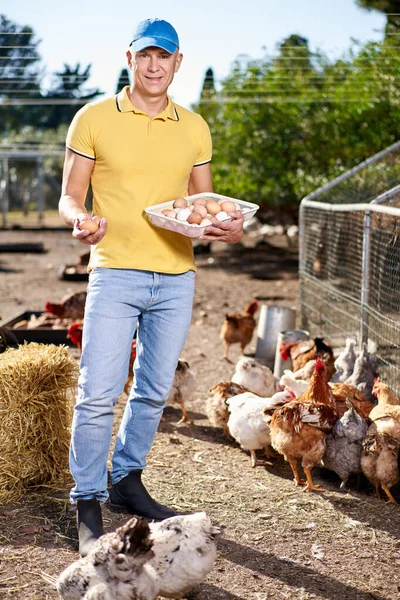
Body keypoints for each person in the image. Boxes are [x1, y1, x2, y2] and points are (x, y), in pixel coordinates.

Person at [59, 17, 244, 557]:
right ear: (130, 59)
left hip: (176, 276)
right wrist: (81, 219)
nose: (154, 65)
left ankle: (127, 480)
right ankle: (87, 497)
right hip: (115, 269)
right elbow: (71, 195)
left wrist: (229, 227)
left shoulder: (194, 127)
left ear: (178, 63)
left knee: (152, 389)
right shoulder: (93, 118)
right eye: (145, 56)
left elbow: (203, 206)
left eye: (164, 56)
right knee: (97, 390)